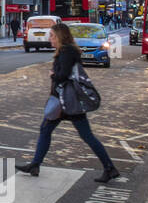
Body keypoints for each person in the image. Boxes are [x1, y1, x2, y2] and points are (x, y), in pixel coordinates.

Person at [16, 22, 120, 183]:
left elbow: (63, 75)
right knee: (48, 130)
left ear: (59, 37)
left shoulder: (66, 52)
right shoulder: (67, 51)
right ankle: (35, 164)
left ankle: (109, 167)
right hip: (66, 101)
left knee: (81, 135)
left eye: (51, 35)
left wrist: (53, 74)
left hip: (66, 101)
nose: (49, 38)